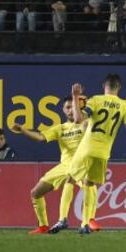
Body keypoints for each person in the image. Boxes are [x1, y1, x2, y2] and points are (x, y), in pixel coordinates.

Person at [49, 73, 126, 235]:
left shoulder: (95, 100)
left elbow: (78, 119)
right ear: (119, 88)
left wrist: (75, 96)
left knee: (70, 179)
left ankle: (63, 219)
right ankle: (85, 224)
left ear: (104, 86)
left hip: (86, 148)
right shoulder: (124, 106)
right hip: (103, 153)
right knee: (89, 185)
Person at [11, 94, 101, 234]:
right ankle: (43, 226)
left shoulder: (87, 123)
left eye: (73, 107)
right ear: (63, 110)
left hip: (82, 165)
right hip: (64, 166)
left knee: (90, 185)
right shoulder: (60, 129)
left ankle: (90, 219)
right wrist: (23, 130)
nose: (70, 110)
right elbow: (40, 137)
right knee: (36, 193)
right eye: (67, 107)